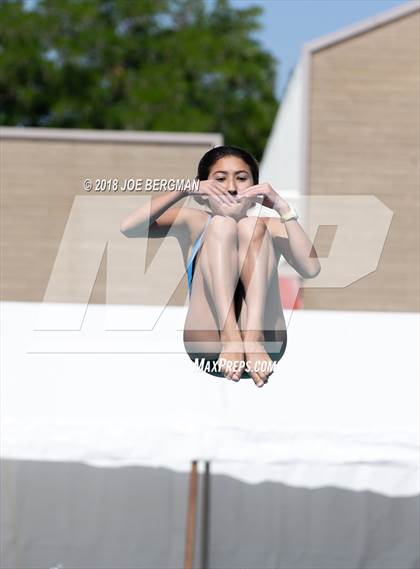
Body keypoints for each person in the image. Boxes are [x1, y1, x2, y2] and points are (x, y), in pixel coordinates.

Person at [120, 145, 321, 388]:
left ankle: (251, 338)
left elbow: (311, 268)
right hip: (210, 344)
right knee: (221, 225)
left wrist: (282, 207)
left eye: (242, 178)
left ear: (257, 189)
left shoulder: (272, 225)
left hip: (265, 346)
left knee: (251, 227)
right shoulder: (193, 221)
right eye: (220, 179)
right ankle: (231, 336)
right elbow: (129, 227)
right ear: (202, 190)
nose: (232, 187)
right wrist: (184, 190)